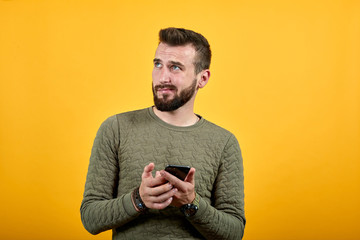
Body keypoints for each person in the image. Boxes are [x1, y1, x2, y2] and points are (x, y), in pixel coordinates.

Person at [80, 27, 246, 239]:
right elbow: (90, 218)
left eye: (175, 67)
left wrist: (191, 203)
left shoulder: (224, 143)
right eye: (158, 64)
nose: (163, 77)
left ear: (202, 79)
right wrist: (138, 199)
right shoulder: (116, 128)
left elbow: (234, 232)